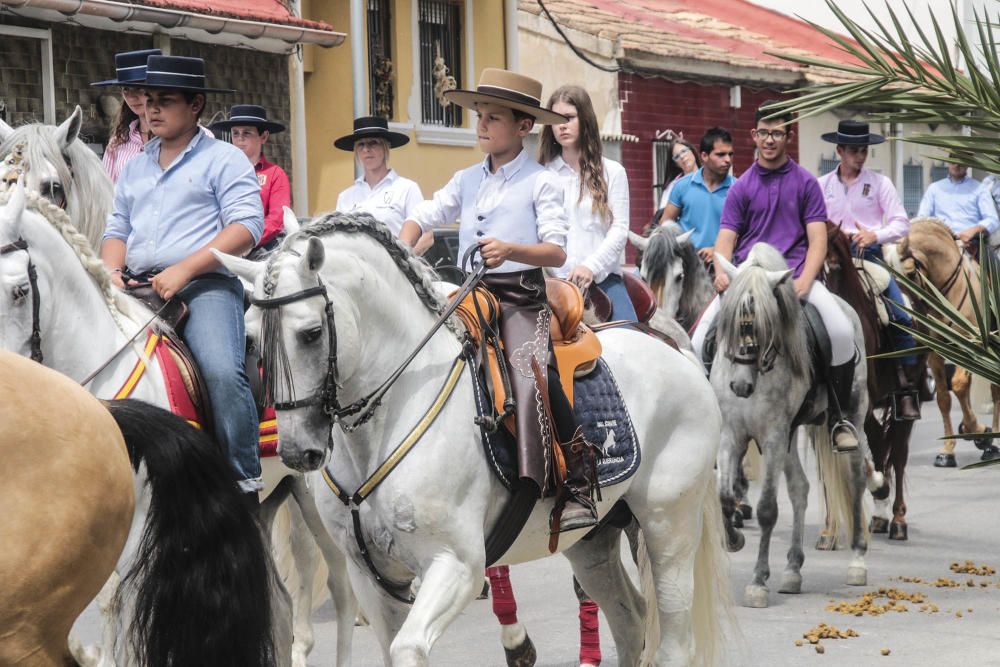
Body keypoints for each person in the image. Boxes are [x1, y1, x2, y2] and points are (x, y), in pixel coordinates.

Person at [399, 68, 598, 531]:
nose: (481, 125)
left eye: (492, 118)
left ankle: (579, 477)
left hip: (521, 298)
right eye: (479, 116)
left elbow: (557, 250)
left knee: (533, 371)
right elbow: (424, 213)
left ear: (524, 127)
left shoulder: (542, 181)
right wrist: (401, 248)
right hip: (470, 293)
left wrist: (511, 250)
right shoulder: (466, 178)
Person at [101, 55, 265, 499]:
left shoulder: (224, 159)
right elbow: (116, 229)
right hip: (135, 286)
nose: (152, 109)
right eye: (149, 100)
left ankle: (241, 483)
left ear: (195, 105)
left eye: (165, 101)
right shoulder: (134, 166)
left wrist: (186, 268)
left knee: (220, 372)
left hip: (204, 286)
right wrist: (112, 270)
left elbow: (247, 226)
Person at [692, 102, 860, 452]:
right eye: (764, 133)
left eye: (777, 133)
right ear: (754, 135)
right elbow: (726, 238)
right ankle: (707, 419)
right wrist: (721, 271)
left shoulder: (806, 183)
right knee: (697, 341)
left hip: (792, 277)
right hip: (748, 281)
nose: (770, 140)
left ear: (788, 136)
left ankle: (839, 417)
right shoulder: (741, 187)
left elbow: (817, 240)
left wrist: (804, 281)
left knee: (842, 332)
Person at [817, 119, 920, 419]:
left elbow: (901, 223)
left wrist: (875, 234)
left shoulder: (879, 183)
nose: (859, 156)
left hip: (868, 257)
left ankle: (905, 385)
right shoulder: (821, 185)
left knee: (899, 313)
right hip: (831, 259)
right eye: (852, 150)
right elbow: (811, 221)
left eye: (863, 150)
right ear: (839, 150)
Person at [541, 85, 637, 322]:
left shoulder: (613, 172)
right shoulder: (542, 175)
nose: (562, 125)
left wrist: (590, 267)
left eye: (569, 117)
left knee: (629, 340)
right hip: (553, 284)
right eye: (556, 119)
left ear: (585, 119)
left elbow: (619, 230)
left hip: (603, 281)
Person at [333, 116, 431, 253]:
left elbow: (427, 237)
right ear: (356, 151)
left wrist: (403, 263)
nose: (366, 149)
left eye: (373, 143)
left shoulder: (407, 189)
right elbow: (338, 240)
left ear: (385, 147)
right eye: (361, 145)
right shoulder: (346, 197)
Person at [210, 104, 291, 253]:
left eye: (246, 133)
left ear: (264, 137)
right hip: (219, 248)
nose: (240, 139)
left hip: (261, 250)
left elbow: (277, 219)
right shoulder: (219, 172)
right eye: (235, 133)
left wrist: (243, 240)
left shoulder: (275, 174)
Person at [660, 127, 735, 262]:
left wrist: (717, 250)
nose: (728, 160)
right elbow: (664, 226)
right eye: (721, 154)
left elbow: (745, 233)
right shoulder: (681, 186)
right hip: (686, 266)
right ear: (704, 156)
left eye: (730, 154)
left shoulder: (737, 189)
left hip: (723, 267)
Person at [92, 48, 161, 183]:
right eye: (125, 89)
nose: (131, 97)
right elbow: (108, 190)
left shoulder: (189, 137)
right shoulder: (118, 141)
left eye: (140, 88)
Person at [917, 159, 999, 259]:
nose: (956, 165)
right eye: (952, 162)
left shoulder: (980, 189)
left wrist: (972, 231)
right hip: (940, 242)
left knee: (995, 267)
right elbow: (922, 218)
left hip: (971, 245)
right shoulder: (934, 188)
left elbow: (992, 220)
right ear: (948, 162)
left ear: (968, 164)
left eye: (960, 162)